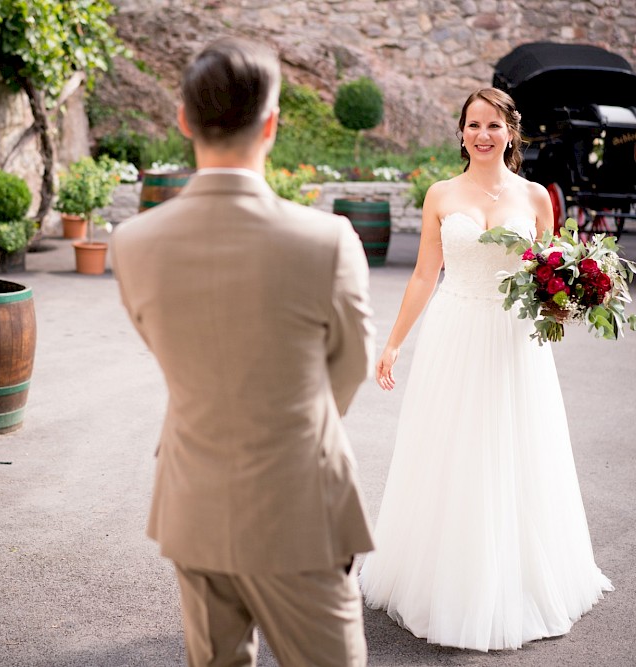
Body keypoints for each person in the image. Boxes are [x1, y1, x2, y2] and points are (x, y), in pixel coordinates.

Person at [111, 37, 377, 667]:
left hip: (193, 499)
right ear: (272, 125)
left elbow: (168, 349)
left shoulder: (134, 242)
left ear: (182, 120)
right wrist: (298, 423)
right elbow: (353, 364)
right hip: (300, 509)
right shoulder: (326, 240)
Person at [357, 87, 613, 651]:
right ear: (462, 132)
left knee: (518, 450)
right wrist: (394, 342)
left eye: (493, 125)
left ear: (510, 132)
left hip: (516, 339)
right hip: (455, 332)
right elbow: (427, 274)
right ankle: (445, 578)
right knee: (455, 451)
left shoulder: (537, 198)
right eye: (473, 125)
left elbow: (554, 272)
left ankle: (515, 580)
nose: (482, 135)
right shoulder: (441, 194)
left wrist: (572, 298)